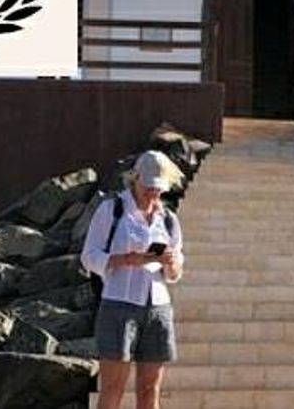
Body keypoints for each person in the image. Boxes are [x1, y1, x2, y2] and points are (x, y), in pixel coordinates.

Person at [81, 151, 185, 409]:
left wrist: (171, 263)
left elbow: (174, 274)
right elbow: (89, 256)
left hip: (158, 307)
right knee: (113, 390)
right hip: (119, 304)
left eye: (158, 188)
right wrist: (128, 259)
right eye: (148, 186)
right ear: (135, 179)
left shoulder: (169, 220)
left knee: (151, 390)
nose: (153, 193)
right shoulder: (112, 209)